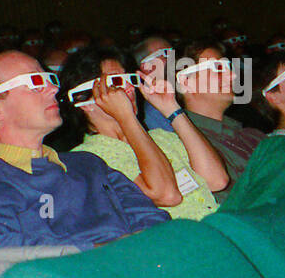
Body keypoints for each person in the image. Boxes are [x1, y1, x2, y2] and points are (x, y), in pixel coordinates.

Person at [0, 50, 168, 251]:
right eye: (36, 82)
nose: (53, 87)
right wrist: (105, 250)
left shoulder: (88, 164)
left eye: (49, 78)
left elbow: (151, 218)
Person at [60, 48, 227, 220]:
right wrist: (126, 118)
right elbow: (167, 195)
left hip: (216, 228)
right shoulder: (88, 159)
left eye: (129, 79)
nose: (130, 88)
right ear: (83, 99)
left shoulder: (159, 137)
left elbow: (217, 180)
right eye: (117, 81)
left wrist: (172, 109)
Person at [176, 38, 266, 198]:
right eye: (218, 68)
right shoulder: (181, 144)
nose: (232, 75)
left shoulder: (252, 136)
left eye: (229, 67)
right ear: (186, 81)